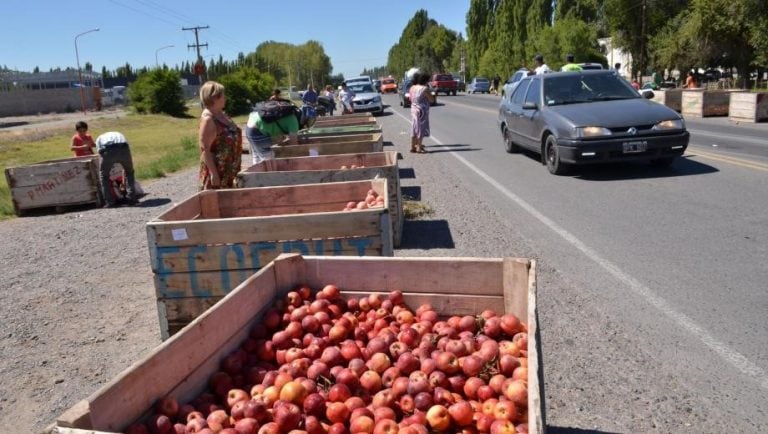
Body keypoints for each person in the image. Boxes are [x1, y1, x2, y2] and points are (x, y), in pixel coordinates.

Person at [198, 81, 242, 190]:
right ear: (214, 98)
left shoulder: (222, 114)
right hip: (219, 174)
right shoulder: (208, 119)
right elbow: (205, 150)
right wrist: (214, 174)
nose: (225, 98)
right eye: (223, 95)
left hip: (229, 171)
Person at [95, 131, 139, 207]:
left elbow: (100, 152)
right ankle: (132, 198)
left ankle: (110, 202)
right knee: (129, 172)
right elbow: (126, 143)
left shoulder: (99, 138)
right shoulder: (118, 133)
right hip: (124, 148)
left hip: (108, 150)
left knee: (104, 176)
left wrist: (107, 161)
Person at [409, 72, 435, 154]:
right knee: (421, 128)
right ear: (425, 81)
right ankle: (419, 148)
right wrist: (432, 95)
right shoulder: (424, 89)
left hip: (413, 109)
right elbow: (431, 99)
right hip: (421, 111)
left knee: (414, 127)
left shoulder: (412, 87)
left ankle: (413, 147)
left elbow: (410, 98)